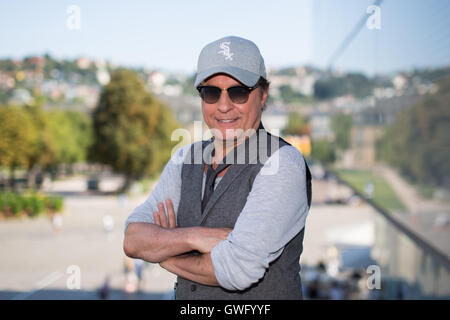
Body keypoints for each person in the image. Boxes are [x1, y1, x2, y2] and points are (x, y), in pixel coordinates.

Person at [123, 36, 312, 299]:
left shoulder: (282, 164)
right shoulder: (184, 159)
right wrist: (194, 237)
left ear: (263, 95)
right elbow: (133, 239)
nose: (224, 106)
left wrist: (163, 253)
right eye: (211, 92)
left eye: (238, 92)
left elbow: (236, 270)